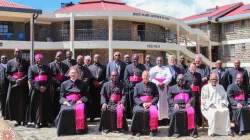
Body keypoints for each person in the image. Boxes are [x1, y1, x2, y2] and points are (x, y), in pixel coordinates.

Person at [55, 67, 88, 136]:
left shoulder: (82, 83)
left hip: (78, 102)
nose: (73, 74)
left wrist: (81, 100)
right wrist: (64, 102)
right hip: (67, 102)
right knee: (64, 111)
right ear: (69, 74)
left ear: (77, 74)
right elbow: (61, 96)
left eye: (74, 73)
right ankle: (64, 129)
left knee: (80, 109)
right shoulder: (64, 84)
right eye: (71, 73)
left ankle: (79, 129)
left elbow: (86, 96)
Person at [26, 54, 53, 128]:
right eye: (38, 59)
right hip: (35, 90)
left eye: (41, 58)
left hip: (45, 90)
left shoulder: (47, 67)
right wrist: (38, 87)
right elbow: (30, 79)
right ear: (36, 60)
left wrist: (45, 87)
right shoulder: (31, 67)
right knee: (36, 106)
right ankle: (37, 122)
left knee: (45, 105)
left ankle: (44, 121)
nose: (40, 60)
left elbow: (50, 78)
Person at [130, 70, 159, 137]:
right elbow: (135, 97)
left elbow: (156, 96)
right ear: (142, 76)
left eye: (147, 76)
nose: (145, 77)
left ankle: (152, 130)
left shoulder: (153, 85)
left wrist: (150, 103)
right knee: (138, 111)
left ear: (149, 77)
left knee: (153, 112)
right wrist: (142, 103)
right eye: (144, 75)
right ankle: (137, 130)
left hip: (151, 104)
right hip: (140, 103)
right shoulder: (137, 85)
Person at [5, 48, 30, 126]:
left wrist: (22, 80)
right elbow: (7, 74)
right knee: (14, 102)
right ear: (14, 53)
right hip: (13, 85)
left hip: (23, 85)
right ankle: (17, 120)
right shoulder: (10, 62)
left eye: (19, 52)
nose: (17, 53)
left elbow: (28, 73)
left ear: (21, 53)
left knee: (24, 102)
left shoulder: (25, 62)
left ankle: (24, 121)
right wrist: (15, 80)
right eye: (16, 52)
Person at [149, 57, 171, 124]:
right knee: (157, 102)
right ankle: (157, 119)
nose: (159, 61)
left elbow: (169, 77)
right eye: (158, 60)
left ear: (163, 61)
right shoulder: (153, 69)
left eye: (161, 60)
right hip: (155, 88)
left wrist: (164, 83)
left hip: (164, 88)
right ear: (156, 61)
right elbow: (150, 78)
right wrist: (158, 83)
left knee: (164, 103)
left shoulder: (166, 68)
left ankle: (164, 119)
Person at [124, 54, 146, 118]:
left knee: (139, 101)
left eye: (136, 59)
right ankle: (132, 115)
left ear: (138, 59)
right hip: (131, 88)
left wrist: (140, 86)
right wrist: (130, 86)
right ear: (132, 59)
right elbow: (126, 78)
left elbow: (143, 77)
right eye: (133, 59)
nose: (134, 60)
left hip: (139, 88)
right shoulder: (128, 67)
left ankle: (139, 114)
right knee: (131, 102)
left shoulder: (142, 67)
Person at [48, 51, 69, 119]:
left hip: (63, 87)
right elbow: (50, 76)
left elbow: (66, 76)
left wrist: (63, 84)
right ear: (55, 56)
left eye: (61, 56)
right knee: (54, 102)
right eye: (58, 56)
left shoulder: (65, 65)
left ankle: (62, 117)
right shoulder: (51, 65)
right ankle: (53, 118)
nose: (60, 57)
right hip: (54, 87)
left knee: (62, 101)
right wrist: (58, 83)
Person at [88, 54, 106, 121]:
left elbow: (106, 77)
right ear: (93, 58)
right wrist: (92, 82)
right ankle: (92, 115)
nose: (97, 59)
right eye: (95, 58)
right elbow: (88, 77)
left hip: (101, 87)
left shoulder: (103, 67)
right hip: (92, 87)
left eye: (98, 58)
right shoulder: (90, 67)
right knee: (93, 102)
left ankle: (101, 115)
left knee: (100, 100)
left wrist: (102, 82)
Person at [0, 55, 8, 119]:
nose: (4, 59)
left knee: (8, 101)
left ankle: (7, 115)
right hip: (1, 88)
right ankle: (3, 115)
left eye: (5, 58)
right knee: (2, 102)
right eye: (2, 58)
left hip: (9, 87)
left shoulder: (9, 67)